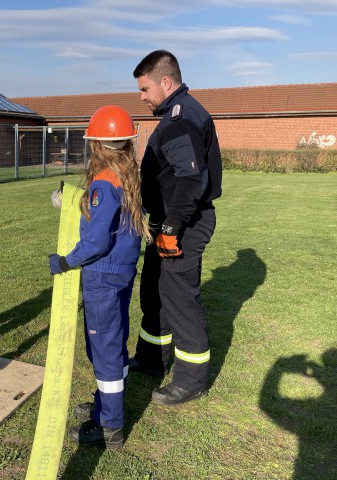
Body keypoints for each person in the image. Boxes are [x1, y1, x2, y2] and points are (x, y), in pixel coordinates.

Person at [49, 105, 150, 448]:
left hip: (102, 276)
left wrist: (65, 262)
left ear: (96, 145)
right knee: (113, 344)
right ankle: (107, 405)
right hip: (121, 273)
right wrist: (71, 202)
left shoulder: (104, 181)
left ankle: (109, 426)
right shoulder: (128, 174)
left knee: (103, 350)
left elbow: (96, 240)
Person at [129, 50, 222, 405]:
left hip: (182, 224)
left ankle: (191, 379)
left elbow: (190, 179)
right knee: (154, 292)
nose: (142, 96)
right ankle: (152, 359)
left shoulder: (181, 118)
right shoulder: (174, 114)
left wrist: (171, 227)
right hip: (166, 222)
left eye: (145, 88)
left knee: (180, 299)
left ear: (165, 82)